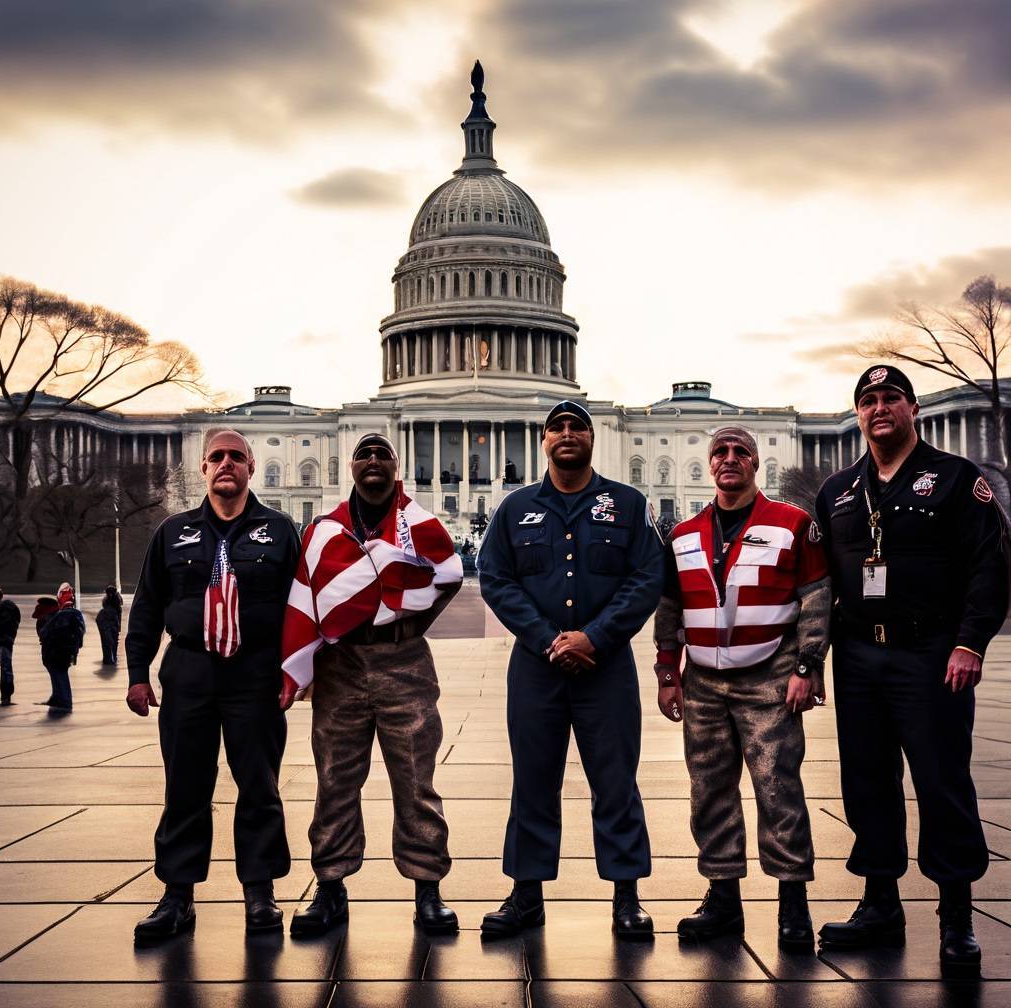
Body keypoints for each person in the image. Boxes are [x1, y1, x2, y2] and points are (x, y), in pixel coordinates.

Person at [815, 365, 1009, 978]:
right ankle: (880, 906)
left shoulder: (955, 479)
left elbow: (990, 566)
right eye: (868, 400)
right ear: (859, 412)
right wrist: (807, 660)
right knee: (867, 781)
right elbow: (819, 584)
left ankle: (957, 917)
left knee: (941, 780)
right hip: (858, 656)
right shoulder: (839, 490)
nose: (879, 409)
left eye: (890, 398)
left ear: (913, 408)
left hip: (930, 656)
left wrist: (970, 644)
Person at [476, 400, 664, 940]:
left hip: (606, 668)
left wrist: (595, 637)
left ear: (590, 437)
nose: (566, 435)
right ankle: (527, 894)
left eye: (575, 427)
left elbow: (646, 578)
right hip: (537, 669)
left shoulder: (626, 503)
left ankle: (626, 896)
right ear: (544, 440)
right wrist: (547, 640)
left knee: (616, 781)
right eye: (556, 428)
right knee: (533, 782)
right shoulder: (515, 509)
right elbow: (496, 580)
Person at [654, 426, 830, 951]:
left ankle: (792, 904)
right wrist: (669, 674)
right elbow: (670, 609)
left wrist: (807, 666)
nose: (730, 460)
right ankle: (723, 899)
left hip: (769, 675)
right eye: (720, 453)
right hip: (703, 680)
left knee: (778, 789)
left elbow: (817, 600)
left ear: (756, 464)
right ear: (710, 465)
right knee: (709, 792)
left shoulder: (792, 523)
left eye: (740, 453)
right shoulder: (684, 533)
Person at [281, 433, 464, 937]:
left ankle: (428, 887)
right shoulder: (324, 531)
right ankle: (331, 886)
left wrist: (405, 622)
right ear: (353, 468)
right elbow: (306, 595)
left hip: (404, 661)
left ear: (396, 464)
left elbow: (445, 578)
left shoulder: (421, 525)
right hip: (341, 666)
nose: (374, 462)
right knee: (335, 781)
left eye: (383, 454)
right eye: (365, 454)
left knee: (415, 781)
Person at [125, 429, 300, 945]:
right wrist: (137, 672)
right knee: (185, 788)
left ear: (250, 467)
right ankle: (177, 895)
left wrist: (298, 671)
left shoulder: (280, 530)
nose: (227, 464)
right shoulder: (173, 533)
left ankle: (259, 891)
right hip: (190, 672)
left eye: (236, 457)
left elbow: (301, 608)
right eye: (217, 457)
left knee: (259, 787)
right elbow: (148, 606)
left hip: (255, 674)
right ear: (204, 468)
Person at [38, 584, 84, 713]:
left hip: (58, 652)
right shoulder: (72, 615)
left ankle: (64, 700)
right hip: (62, 651)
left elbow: (49, 632)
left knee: (59, 674)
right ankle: (58, 697)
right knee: (58, 674)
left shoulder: (64, 616)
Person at [0, 584, 20, 706]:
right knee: (6, 670)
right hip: (5, 644)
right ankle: (6, 697)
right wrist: (10, 639)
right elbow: (15, 623)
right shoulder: (10, 608)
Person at [95, 585, 123, 666]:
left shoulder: (105, 600)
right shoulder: (117, 599)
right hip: (114, 622)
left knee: (105, 640)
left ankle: (107, 658)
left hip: (104, 620)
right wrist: (119, 626)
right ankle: (113, 656)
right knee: (114, 641)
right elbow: (119, 613)